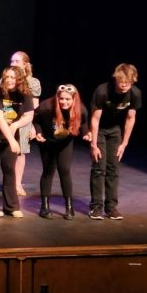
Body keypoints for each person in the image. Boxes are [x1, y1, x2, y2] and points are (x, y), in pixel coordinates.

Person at [0, 66, 35, 218]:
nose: (9, 80)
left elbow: (29, 115)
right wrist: (11, 139)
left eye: (12, 77)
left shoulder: (25, 94)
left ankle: (11, 207)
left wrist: (15, 125)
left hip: (12, 134)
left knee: (9, 168)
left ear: (19, 79)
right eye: (6, 77)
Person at [88, 63, 142, 220]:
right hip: (100, 130)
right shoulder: (103, 91)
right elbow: (95, 119)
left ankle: (111, 207)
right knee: (99, 167)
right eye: (122, 81)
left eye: (128, 81)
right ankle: (96, 207)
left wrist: (124, 144)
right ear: (116, 79)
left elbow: (131, 118)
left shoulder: (134, 94)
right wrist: (93, 144)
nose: (124, 84)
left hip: (115, 131)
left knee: (113, 168)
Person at [33, 84, 89, 220]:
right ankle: (44, 207)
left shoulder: (80, 109)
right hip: (47, 142)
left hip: (65, 143)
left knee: (64, 170)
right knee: (48, 171)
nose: (64, 102)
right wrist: (38, 132)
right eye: (61, 99)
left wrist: (86, 133)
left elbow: (84, 123)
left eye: (68, 99)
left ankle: (69, 208)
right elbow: (35, 120)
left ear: (74, 99)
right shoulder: (46, 107)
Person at [10, 51, 41, 197]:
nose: (13, 64)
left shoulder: (33, 82)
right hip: (7, 119)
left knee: (21, 152)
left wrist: (33, 125)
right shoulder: (6, 79)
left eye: (16, 61)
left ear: (25, 64)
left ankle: (17, 183)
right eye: (12, 61)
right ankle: (8, 182)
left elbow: (34, 106)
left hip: (23, 121)